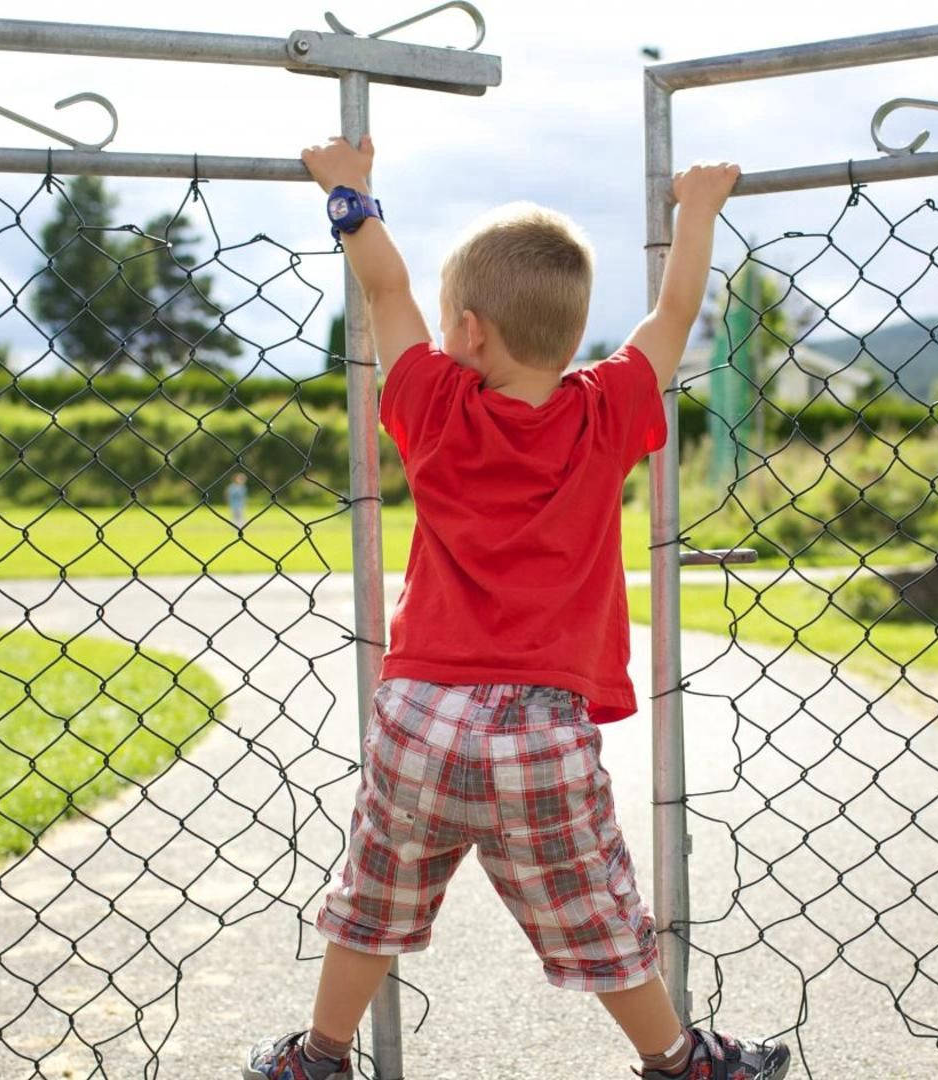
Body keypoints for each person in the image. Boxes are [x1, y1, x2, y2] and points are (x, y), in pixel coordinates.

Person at [241, 135, 786, 1080]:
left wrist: (350, 194)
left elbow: (385, 292)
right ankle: (677, 1060)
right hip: (542, 727)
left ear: (467, 330)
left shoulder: (436, 405)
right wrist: (696, 210)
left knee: (373, 899)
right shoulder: (606, 409)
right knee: (600, 913)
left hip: (422, 715)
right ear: (572, 334)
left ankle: (319, 1058)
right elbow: (673, 313)